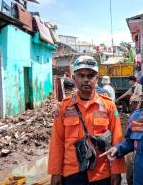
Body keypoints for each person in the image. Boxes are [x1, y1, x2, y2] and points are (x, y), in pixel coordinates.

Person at [48, 55, 126, 185]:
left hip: (101, 174)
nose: (86, 80)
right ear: (74, 78)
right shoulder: (64, 107)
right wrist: (55, 172)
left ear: (97, 79)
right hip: (72, 174)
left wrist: (116, 171)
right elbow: (57, 142)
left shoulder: (109, 106)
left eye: (90, 76)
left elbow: (117, 140)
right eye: (81, 75)